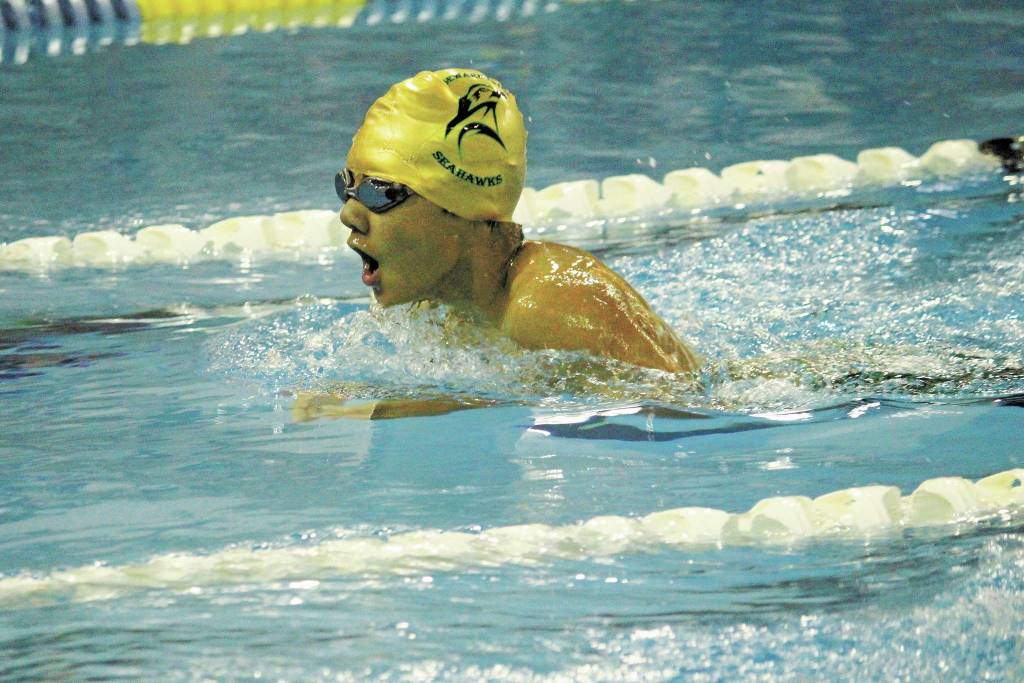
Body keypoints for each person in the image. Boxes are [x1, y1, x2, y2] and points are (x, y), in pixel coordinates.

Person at [337, 68, 701, 376]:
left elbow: (683, 420)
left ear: (466, 207)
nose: (349, 215)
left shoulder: (554, 304)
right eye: (346, 187)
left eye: (379, 192)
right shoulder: (443, 304)